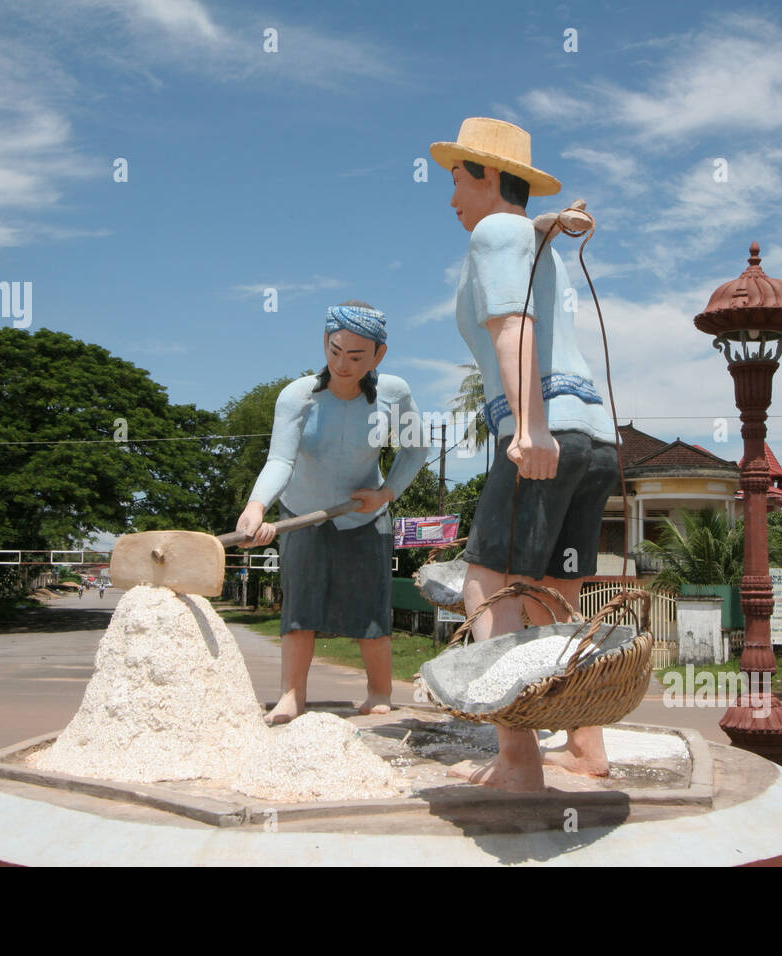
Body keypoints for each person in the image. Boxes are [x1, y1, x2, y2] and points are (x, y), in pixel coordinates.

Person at [430, 117, 621, 791]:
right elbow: (526, 238)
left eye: (456, 179)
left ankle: (517, 763)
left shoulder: (492, 233)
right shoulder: (532, 241)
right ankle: (586, 746)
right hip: (594, 441)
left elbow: (512, 321)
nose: (450, 197)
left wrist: (528, 429)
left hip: (544, 434)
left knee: (487, 588)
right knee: (556, 600)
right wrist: (550, 223)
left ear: (485, 175)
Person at [235, 301, 427, 725]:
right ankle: (291, 695)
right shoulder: (296, 396)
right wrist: (256, 506)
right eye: (335, 350)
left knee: (371, 608)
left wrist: (387, 494)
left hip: (364, 516)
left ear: (378, 355)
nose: (342, 363)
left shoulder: (396, 393)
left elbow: (417, 449)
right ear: (325, 341)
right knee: (300, 606)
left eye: (356, 356)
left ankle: (379, 691)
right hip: (303, 512)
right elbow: (280, 461)